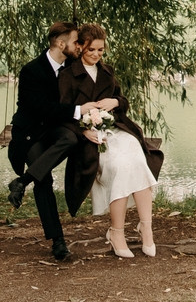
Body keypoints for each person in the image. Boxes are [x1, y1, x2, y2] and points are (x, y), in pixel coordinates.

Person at [58, 25, 159, 258]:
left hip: (116, 130)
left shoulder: (107, 71)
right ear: (80, 46)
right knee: (121, 167)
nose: (96, 54)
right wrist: (83, 132)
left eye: (101, 50)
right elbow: (61, 113)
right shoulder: (67, 75)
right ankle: (117, 232)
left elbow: (122, 100)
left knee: (137, 157)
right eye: (91, 49)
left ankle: (146, 227)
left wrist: (115, 103)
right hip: (89, 139)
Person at [5, 21, 84, 260]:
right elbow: (40, 109)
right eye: (75, 42)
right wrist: (78, 111)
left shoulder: (72, 66)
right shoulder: (32, 70)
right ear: (61, 44)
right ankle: (58, 242)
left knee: (71, 138)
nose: (79, 47)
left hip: (53, 130)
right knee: (44, 180)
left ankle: (22, 181)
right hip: (29, 132)